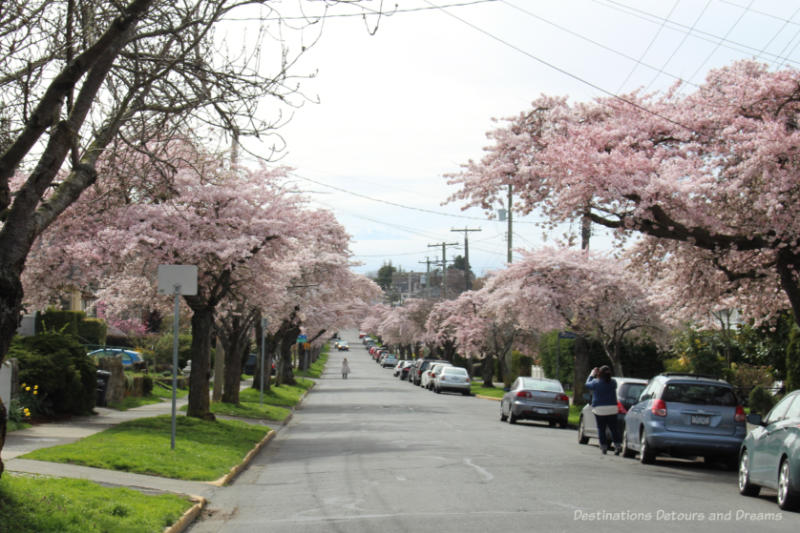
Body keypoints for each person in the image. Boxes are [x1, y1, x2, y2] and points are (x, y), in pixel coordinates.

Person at [585, 365, 621, 455]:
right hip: (612, 408)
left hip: (599, 409)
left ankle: (604, 447)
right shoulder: (613, 382)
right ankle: (617, 446)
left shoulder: (596, 382)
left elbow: (587, 384)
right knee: (614, 429)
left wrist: (592, 374)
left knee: (601, 429)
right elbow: (608, 382)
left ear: (600, 374)